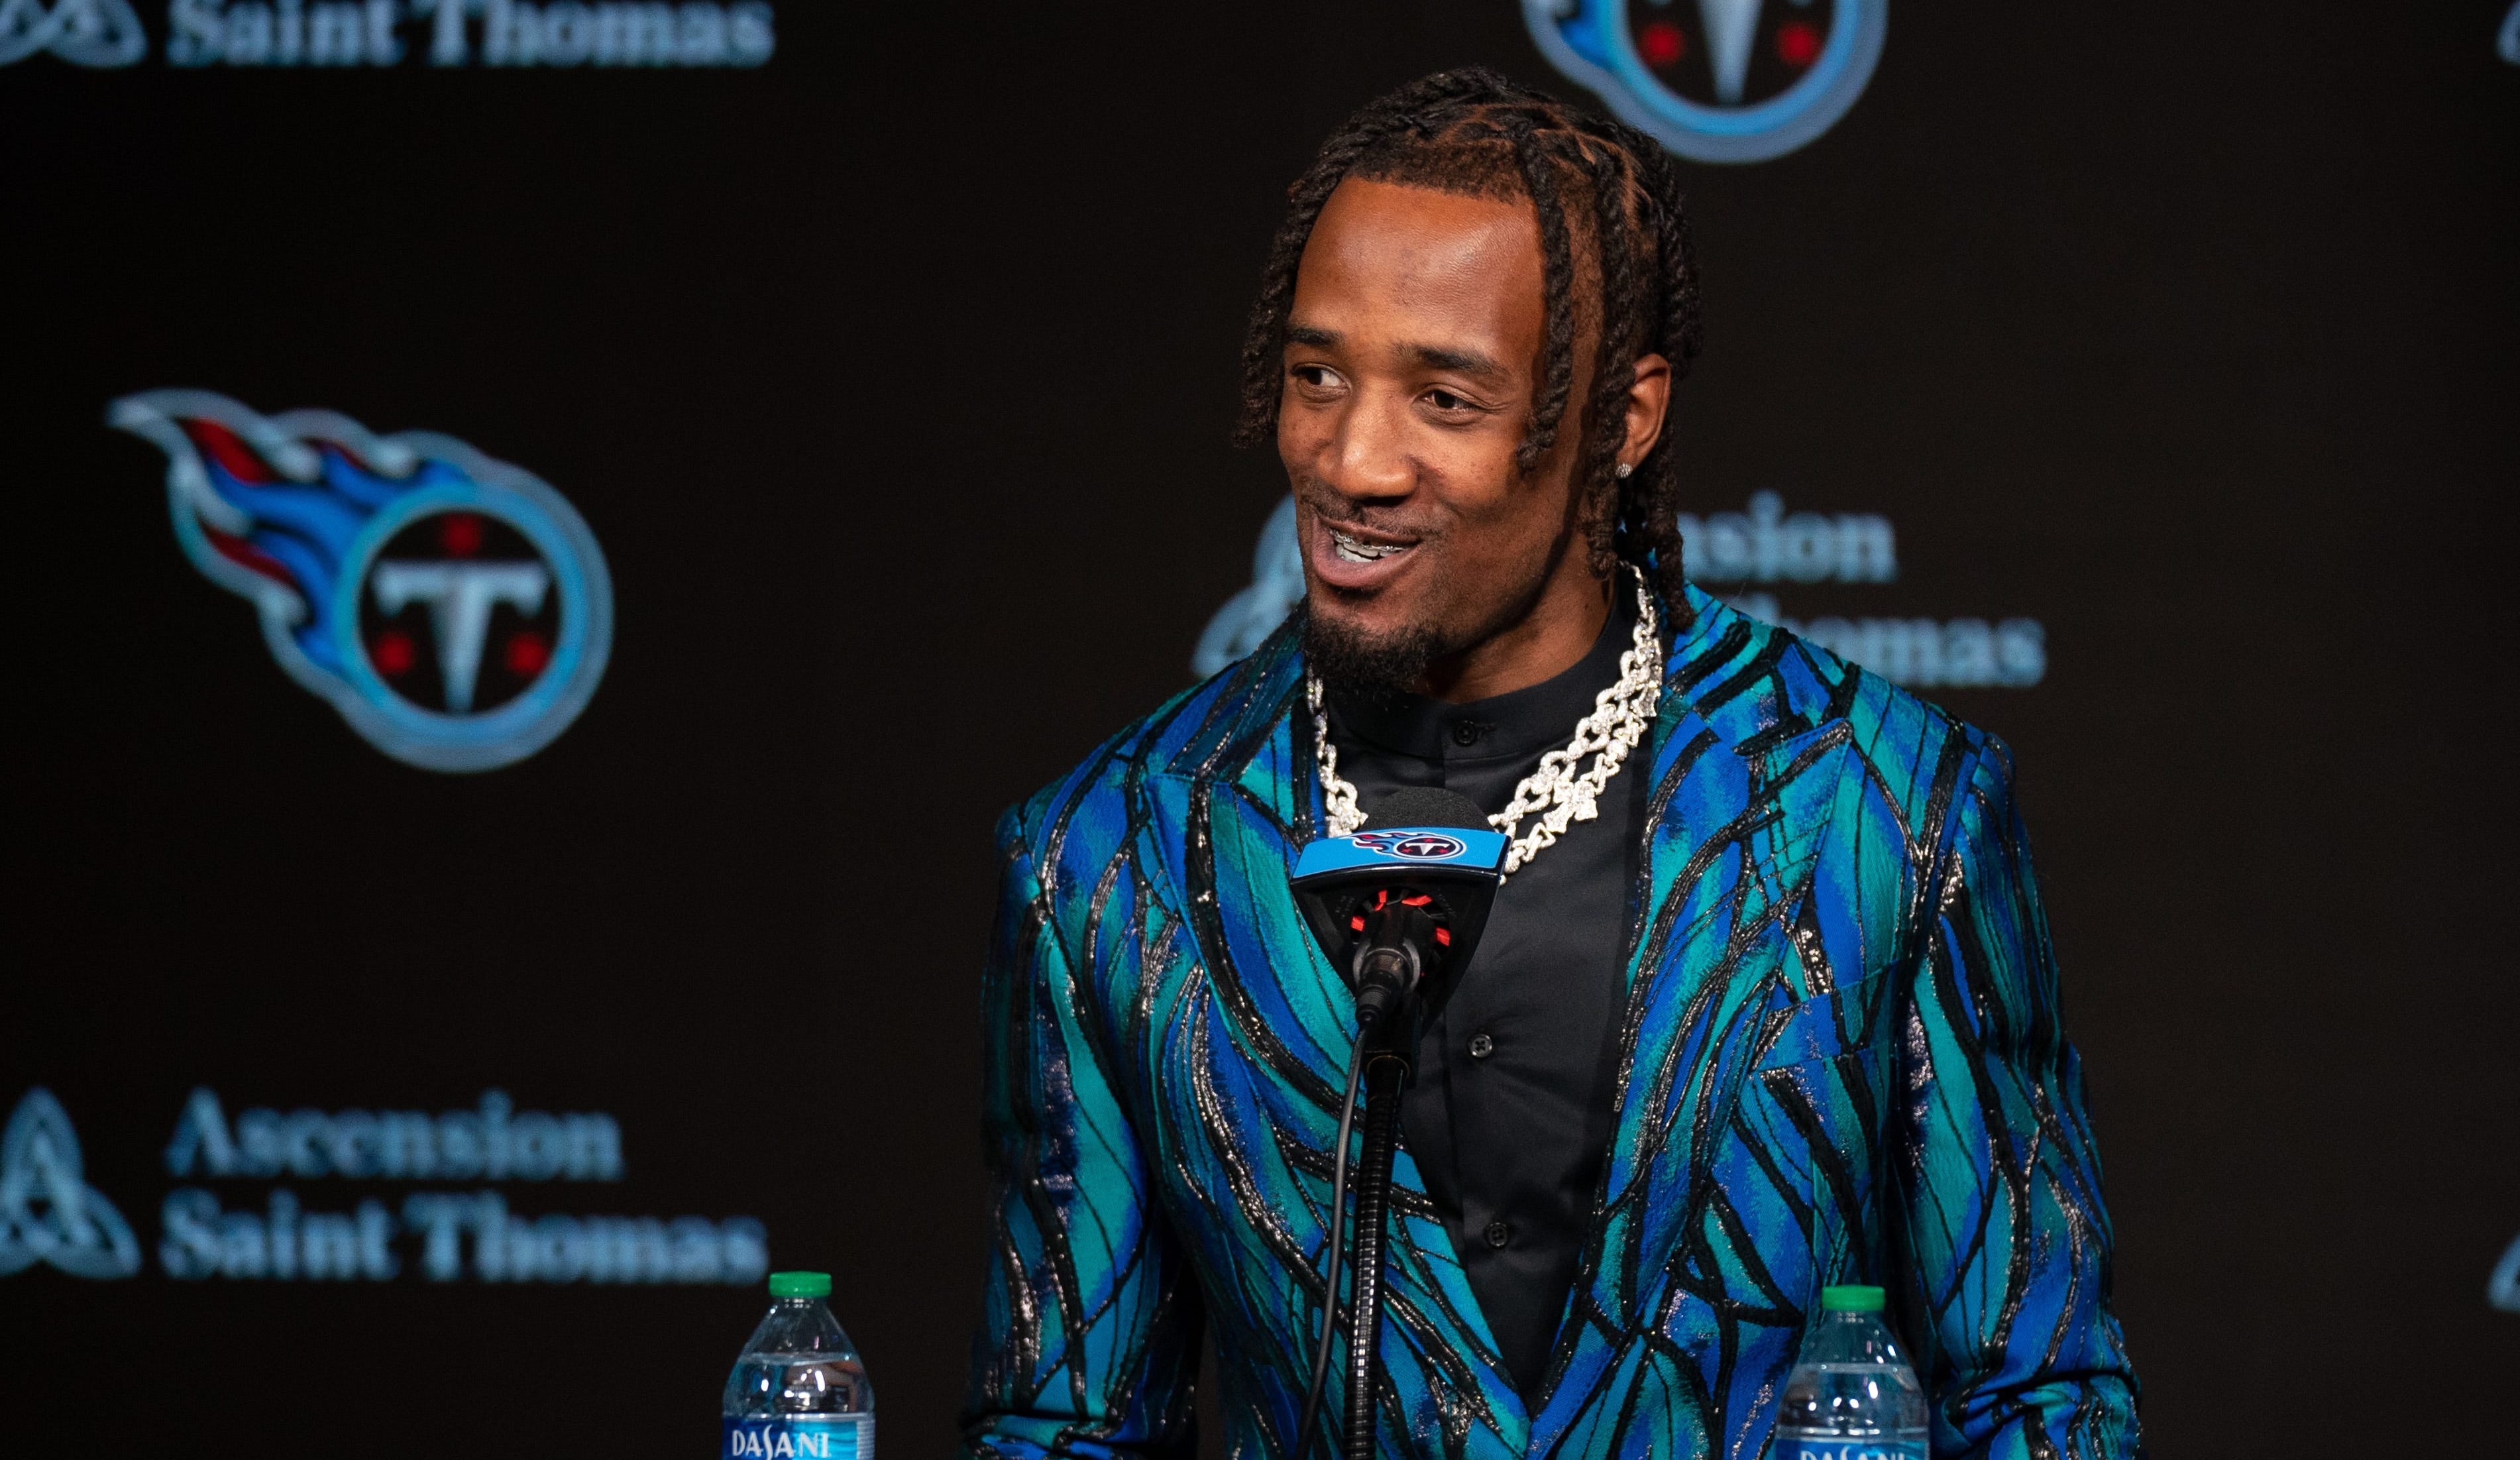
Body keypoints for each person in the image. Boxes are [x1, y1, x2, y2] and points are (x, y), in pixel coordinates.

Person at [961, 68, 2142, 1460]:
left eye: (1445, 397)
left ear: (1621, 419)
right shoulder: (1113, 857)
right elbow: (1067, 1426)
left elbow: (2040, 1394)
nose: (1353, 458)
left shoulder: (1876, 807)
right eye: (1316, 375)